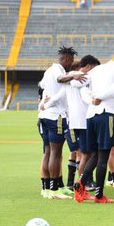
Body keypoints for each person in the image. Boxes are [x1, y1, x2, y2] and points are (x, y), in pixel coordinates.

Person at [72, 55, 114, 203]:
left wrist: (91, 100)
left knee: (95, 154)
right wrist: (101, 96)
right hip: (106, 114)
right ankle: (99, 195)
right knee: (103, 155)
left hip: (91, 115)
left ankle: (81, 182)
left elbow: (77, 85)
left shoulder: (96, 70)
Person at [38, 46, 85, 199]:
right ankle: (54, 189)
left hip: (44, 116)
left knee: (48, 152)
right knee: (56, 154)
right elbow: (60, 79)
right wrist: (73, 77)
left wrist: (44, 101)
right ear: (65, 59)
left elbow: (42, 87)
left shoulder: (48, 71)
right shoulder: (58, 70)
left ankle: (49, 187)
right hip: (55, 117)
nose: (71, 64)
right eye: (70, 61)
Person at [64, 55, 100, 188]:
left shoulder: (71, 76)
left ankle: (85, 181)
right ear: (90, 66)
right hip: (83, 120)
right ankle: (83, 182)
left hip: (75, 120)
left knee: (84, 153)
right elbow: (75, 82)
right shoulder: (80, 76)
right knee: (86, 154)